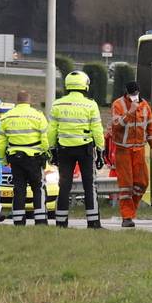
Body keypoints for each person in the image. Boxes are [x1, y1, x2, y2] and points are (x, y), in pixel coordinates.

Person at [47, 70, 105, 229]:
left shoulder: (58, 104)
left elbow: (51, 130)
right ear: (84, 85)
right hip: (85, 149)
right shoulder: (90, 104)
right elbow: (97, 130)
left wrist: (52, 150)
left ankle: (61, 222)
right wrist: (101, 150)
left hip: (64, 149)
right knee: (89, 186)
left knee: (64, 186)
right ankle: (93, 222)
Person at [0, 89, 50, 226]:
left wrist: (2, 159)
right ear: (29, 101)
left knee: (19, 189)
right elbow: (45, 139)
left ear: (17, 101)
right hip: (34, 159)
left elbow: (0, 142)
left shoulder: (7, 117)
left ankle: (18, 221)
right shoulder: (38, 116)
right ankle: (40, 220)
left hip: (16, 159)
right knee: (38, 189)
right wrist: (47, 153)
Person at [110, 80, 152, 228]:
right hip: (123, 150)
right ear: (127, 93)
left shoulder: (145, 106)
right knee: (126, 186)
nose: (134, 96)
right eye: (132, 94)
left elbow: (150, 127)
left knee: (142, 183)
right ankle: (127, 217)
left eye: (136, 93)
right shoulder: (118, 104)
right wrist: (129, 113)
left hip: (139, 150)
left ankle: (131, 210)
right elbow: (116, 126)